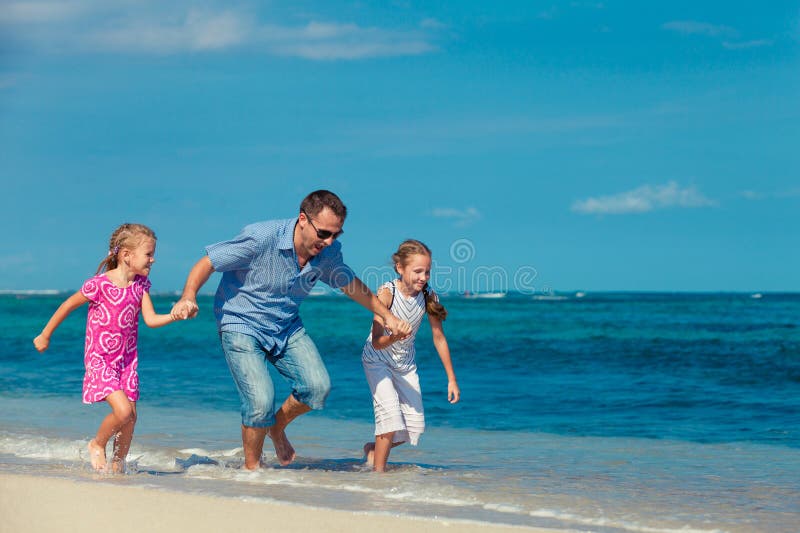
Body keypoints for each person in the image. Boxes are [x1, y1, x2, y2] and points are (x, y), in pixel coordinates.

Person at [170, 190, 412, 469]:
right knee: (260, 401)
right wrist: (188, 296)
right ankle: (252, 471)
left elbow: (349, 283)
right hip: (240, 322)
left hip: (285, 325)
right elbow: (209, 262)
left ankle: (276, 428)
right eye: (323, 233)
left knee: (317, 388)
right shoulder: (262, 237)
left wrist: (387, 316)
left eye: (336, 234)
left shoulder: (328, 252)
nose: (329, 241)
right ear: (302, 220)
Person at [33, 223, 180, 473]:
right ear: (126, 255)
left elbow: (151, 320)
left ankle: (117, 467)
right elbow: (68, 305)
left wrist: (176, 315)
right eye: (148, 254)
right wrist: (45, 334)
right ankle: (97, 443)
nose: (153, 259)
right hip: (100, 359)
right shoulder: (99, 284)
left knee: (131, 417)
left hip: (126, 361)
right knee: (122, 411)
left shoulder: (140, 286)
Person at [362, 239, 460, 472]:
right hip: (377, 360)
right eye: (418, 271)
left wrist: (451, 378)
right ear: (400, 268)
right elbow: (376, 342)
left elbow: (439, 338)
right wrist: (394, 336)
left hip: (405, 364)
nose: (423, 277)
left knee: (413, 427)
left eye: (427, 272)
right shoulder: (387, 294)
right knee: (389, 416)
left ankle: (372, 450)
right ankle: (379, 476)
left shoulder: (428, 297)